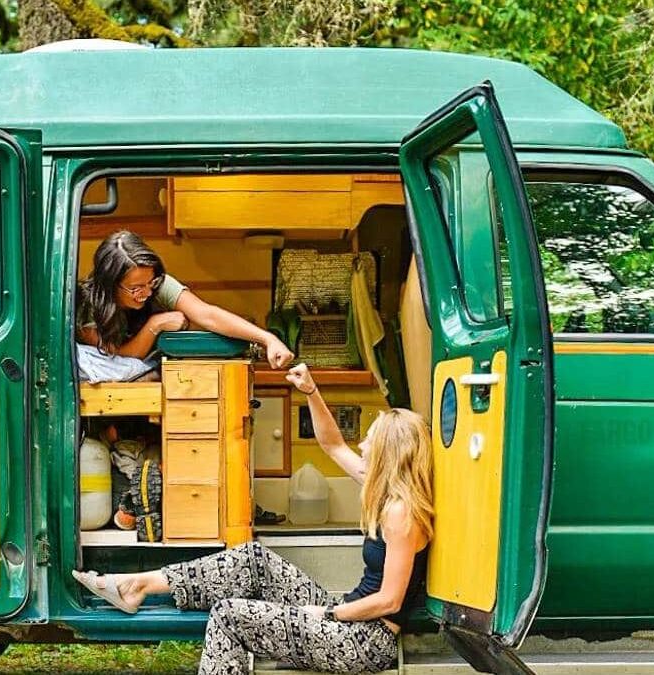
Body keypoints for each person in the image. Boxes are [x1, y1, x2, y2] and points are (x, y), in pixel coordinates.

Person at [73, 363, 434, 675]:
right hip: (348, 622)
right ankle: (138, 586)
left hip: (363, 640)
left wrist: (329, 613)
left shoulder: (401, 512)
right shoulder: (384, 490)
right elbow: (333, 444)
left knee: (229, 616)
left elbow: (390, 601)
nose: (363, 446)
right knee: (253, 560)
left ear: (389, 452)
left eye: (370, 440)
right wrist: (311, 391)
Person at [76, 230, 294, 369]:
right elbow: (120, 356)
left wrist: (267, 339)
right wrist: (156, 324)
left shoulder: (156, 283)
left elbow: (207, 315)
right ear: (111, 283)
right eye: (135, 288)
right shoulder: (88, 302)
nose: (147, 293)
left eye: (149, 284)